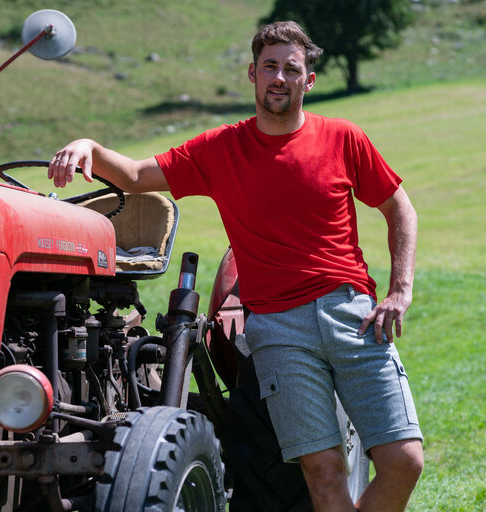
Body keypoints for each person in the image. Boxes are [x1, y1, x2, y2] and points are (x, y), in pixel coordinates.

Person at [48, 20, 424, 512]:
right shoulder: (220, 149)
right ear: (253, 73)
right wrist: (90, 148)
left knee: (404, 461)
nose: (279, 78)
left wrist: (400, 290)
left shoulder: (343, 138)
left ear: (309, 80)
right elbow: (138, 176)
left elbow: (400, 208)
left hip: (350, 312)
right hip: (278, 328)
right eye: (270, 66)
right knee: (324, 474)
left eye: (292, 69)